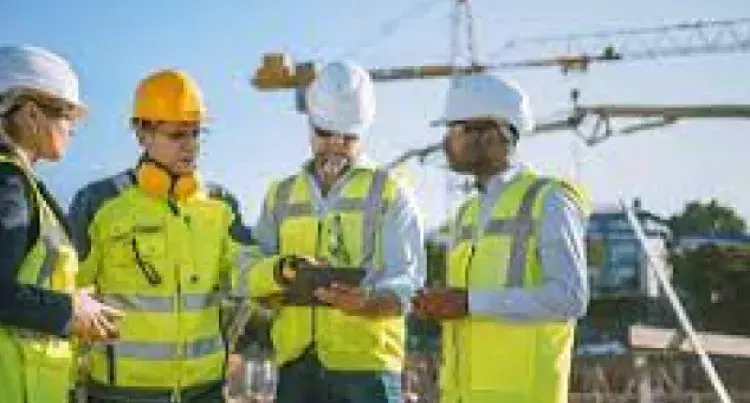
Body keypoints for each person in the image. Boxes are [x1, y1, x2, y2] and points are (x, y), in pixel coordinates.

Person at [68, 69, 253, 403]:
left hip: (205, 390)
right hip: (121, 393)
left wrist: (284, 271)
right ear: (142, 133)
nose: (191, 146)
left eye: (197, 133)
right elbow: (69, 293)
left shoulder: (220, 205)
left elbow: (249, 271)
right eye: (177, 135)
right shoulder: (98, 203)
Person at [248, 61, 426, 403]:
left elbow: (408, 280)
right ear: (309, 125)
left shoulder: (390, 191)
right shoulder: (280, 194)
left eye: (348, 138)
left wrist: (369, 303)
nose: (335, 146)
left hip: (368, 371)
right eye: (325, 134)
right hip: (296, 366)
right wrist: (276, 277)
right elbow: (252, 270)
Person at [413, 72, 590, 403]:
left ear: (494, 133)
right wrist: (437, 303)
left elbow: (569, 297)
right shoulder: (467, 213)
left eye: (456, 129)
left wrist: (469, 302)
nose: (445, 143)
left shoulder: (550, 199)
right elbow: (466, 304)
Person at [0, 45, 122, 403]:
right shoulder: (8, 184)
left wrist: (71, 301)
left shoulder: (22, 183)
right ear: (33, 115)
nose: (72, 129)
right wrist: (68, 310)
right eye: (67, 115)